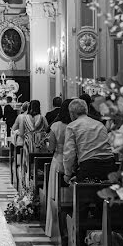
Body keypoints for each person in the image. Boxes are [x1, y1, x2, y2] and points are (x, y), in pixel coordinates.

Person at [62, 99, 116, 182]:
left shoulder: (72, 126)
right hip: (109, 165)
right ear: (86, 111)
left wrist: (67, 174)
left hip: (89, 166)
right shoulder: (100, 125)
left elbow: (69, 153)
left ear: (71, 113)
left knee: (82, 192)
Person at [44, 99, 72, 236]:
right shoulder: (74, 125)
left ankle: (53, 227)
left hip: (58, 160)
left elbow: (51, 148)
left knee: (55, 194)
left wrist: (47, 143)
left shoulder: (55, 126)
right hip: (72, 162)